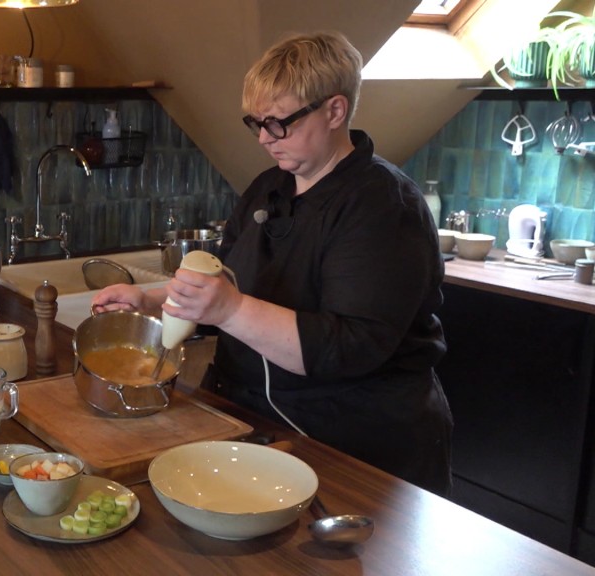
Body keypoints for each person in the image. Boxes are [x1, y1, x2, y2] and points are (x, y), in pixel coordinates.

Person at [92, 31, 453, 495]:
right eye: (256, 123)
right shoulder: (270, 187)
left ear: (335, 110)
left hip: (355, 443)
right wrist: (148, 299)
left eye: (278, 123)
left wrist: (230, 311)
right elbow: (221, 280)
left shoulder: (381, 205)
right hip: (256, 422)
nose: (264, 139)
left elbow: (348, 346)